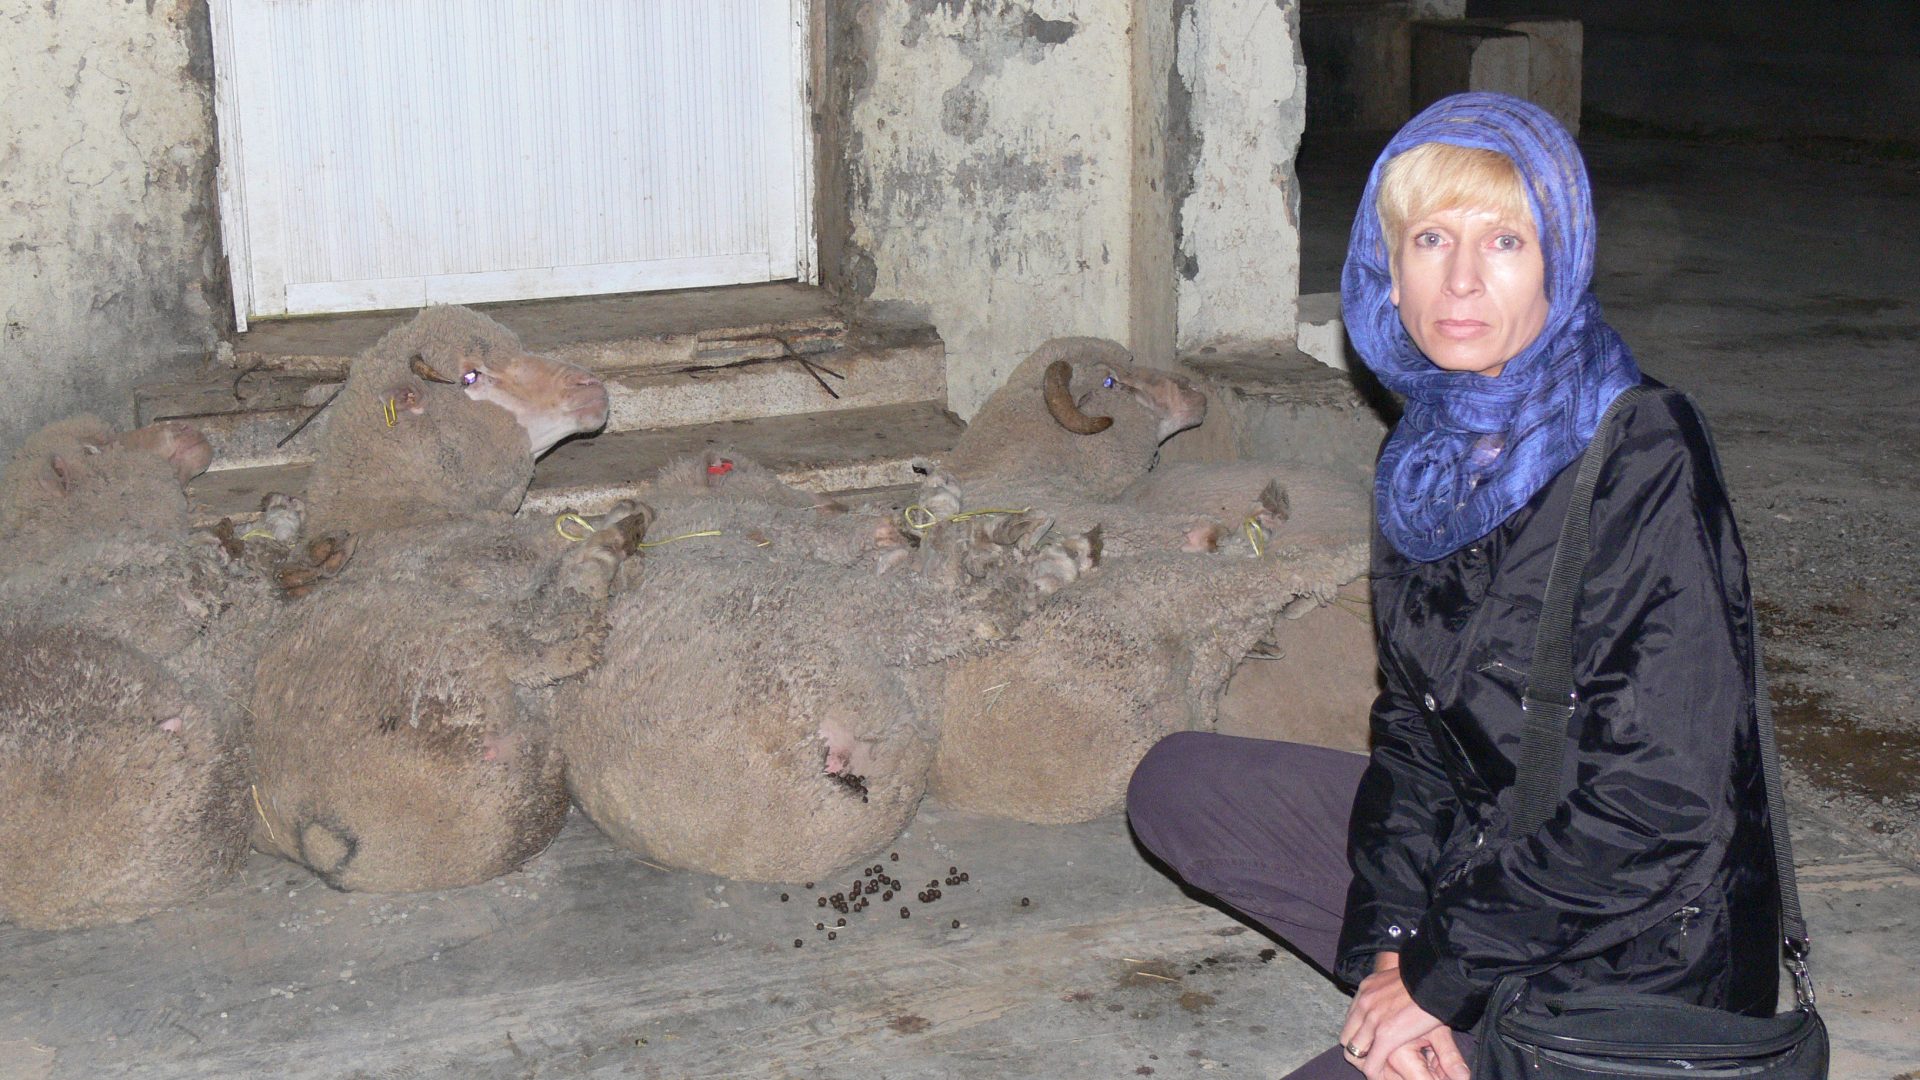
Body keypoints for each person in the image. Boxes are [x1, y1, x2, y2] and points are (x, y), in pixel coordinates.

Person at [1126, 92, 1781, 1080]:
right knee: (1178, 785)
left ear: (1559, 260)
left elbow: (1654, 807)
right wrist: (1393, 945)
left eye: (1507, 241)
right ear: (1388, 269)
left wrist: (1441, 978)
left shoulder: (1641, 454)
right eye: (1431, 238)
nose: (1462, 280)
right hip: (1488, 862)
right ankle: (1442, 1026)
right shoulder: (1425, 459)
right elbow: (1416, 730)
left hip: (1634, 952)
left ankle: (1482, 1042)